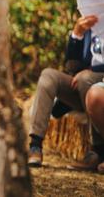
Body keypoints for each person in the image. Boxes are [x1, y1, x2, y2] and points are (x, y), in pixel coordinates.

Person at [28, 15, 104, 170]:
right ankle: (35, 146)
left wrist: (89, 73)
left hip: (98, 89)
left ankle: (98, 151)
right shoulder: (92, 25)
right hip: (82, 87)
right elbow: (71, 67)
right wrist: (77, 35)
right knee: (48, 76)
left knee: (85, 78)